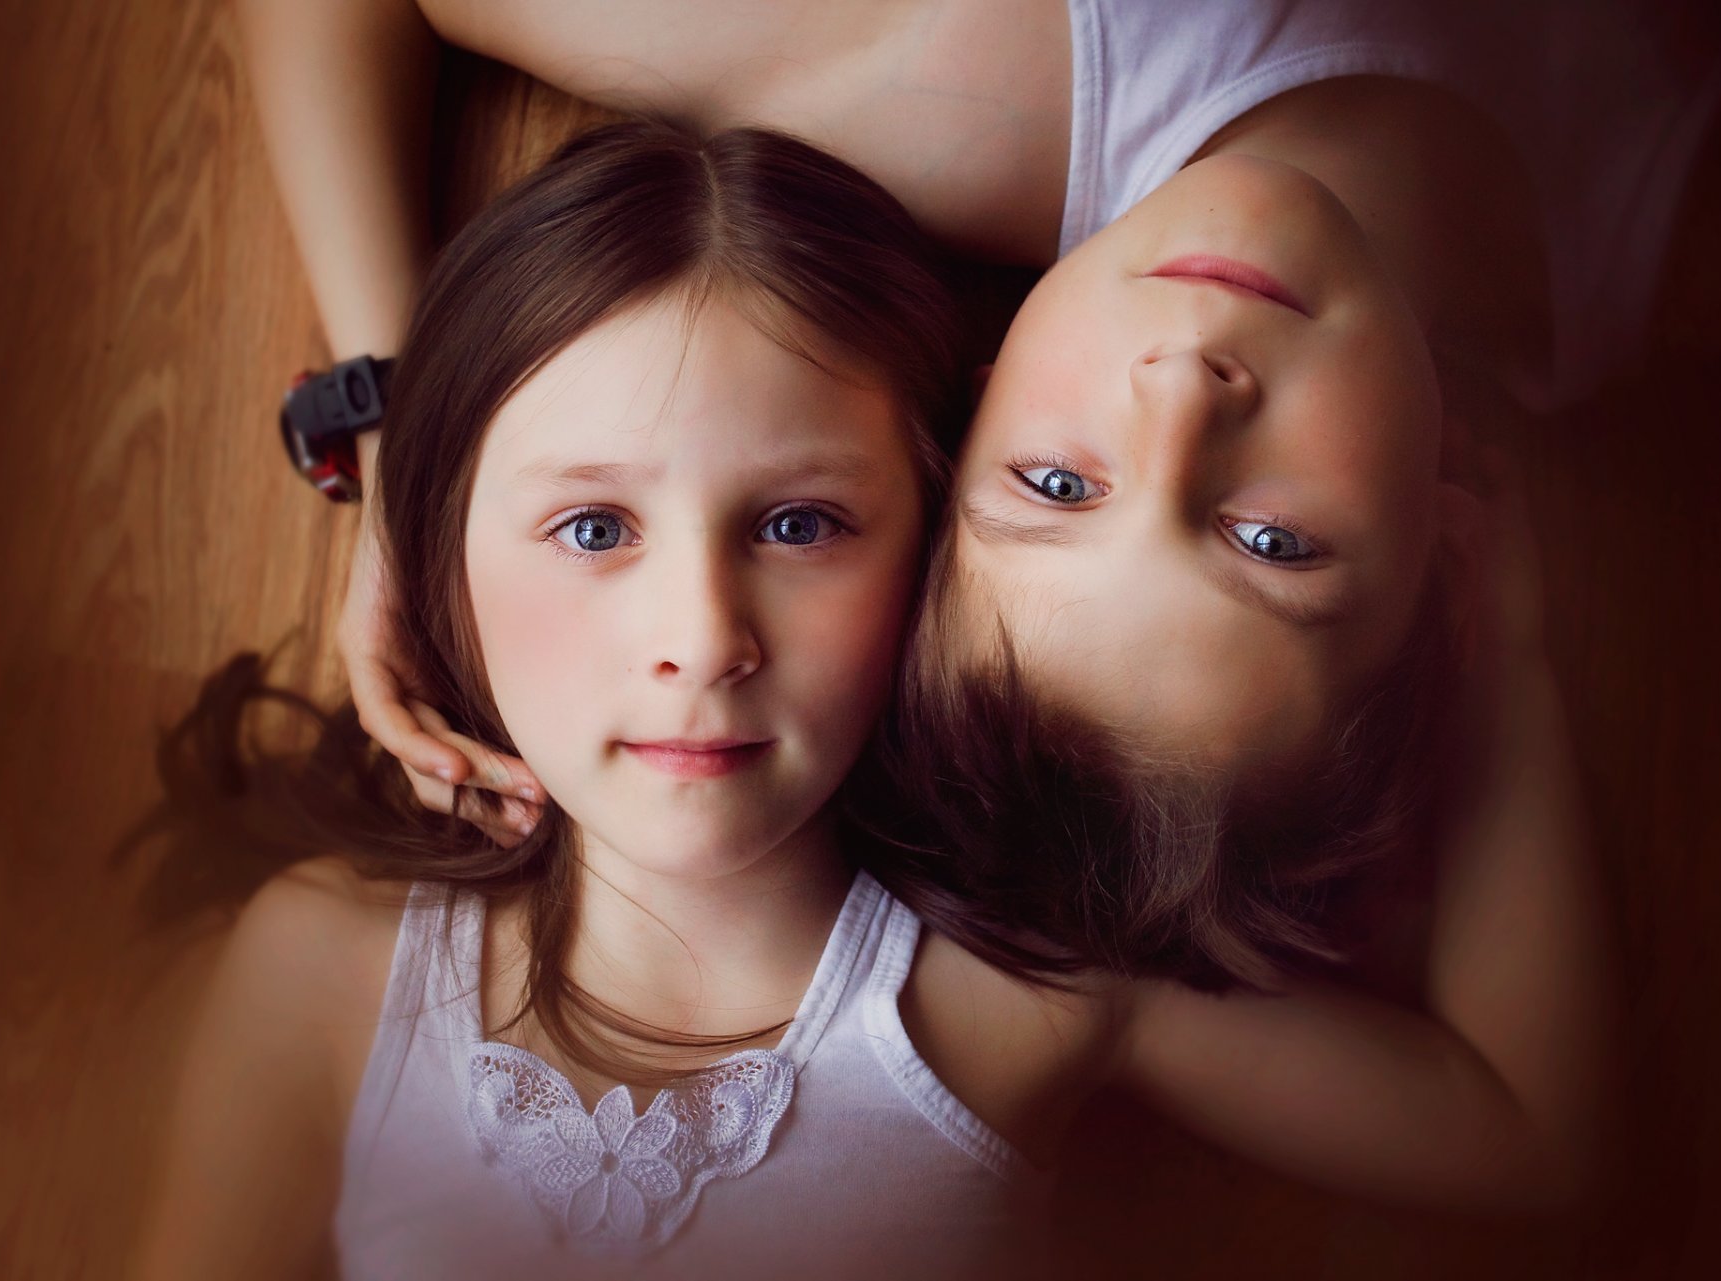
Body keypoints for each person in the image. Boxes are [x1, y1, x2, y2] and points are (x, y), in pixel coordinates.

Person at [131, 117, 1605, 1280]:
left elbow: (1531, 1137)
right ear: (439, 562)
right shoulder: (324, 978)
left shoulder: (1017, 995)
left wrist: (1510, 642)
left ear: (940, 563)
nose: (701, 639)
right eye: (593, 530)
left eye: (800, 526)